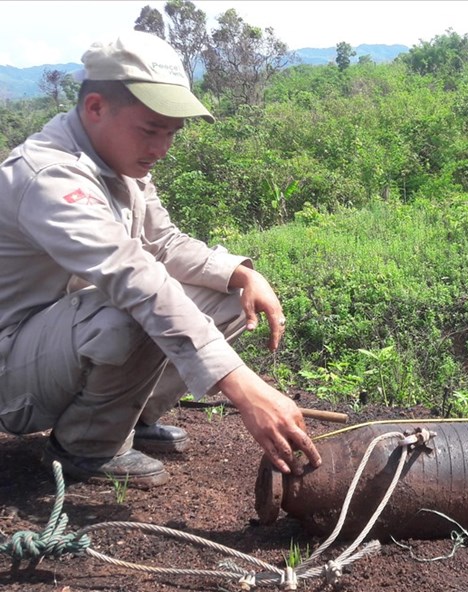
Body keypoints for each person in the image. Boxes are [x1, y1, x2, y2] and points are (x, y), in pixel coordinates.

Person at [0, 31, 321, 488]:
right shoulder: (51, 176)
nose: (161, 148)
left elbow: (164, 244)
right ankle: (85, 447)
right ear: (95, 107)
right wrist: (243, 387)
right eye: (150, 130)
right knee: (135, 307)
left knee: (228, 298)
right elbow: (134, 276)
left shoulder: (118, 160)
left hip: (60, 343)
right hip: (12, 371)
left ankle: (127, 416)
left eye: (170, 133)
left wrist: (238, 273)